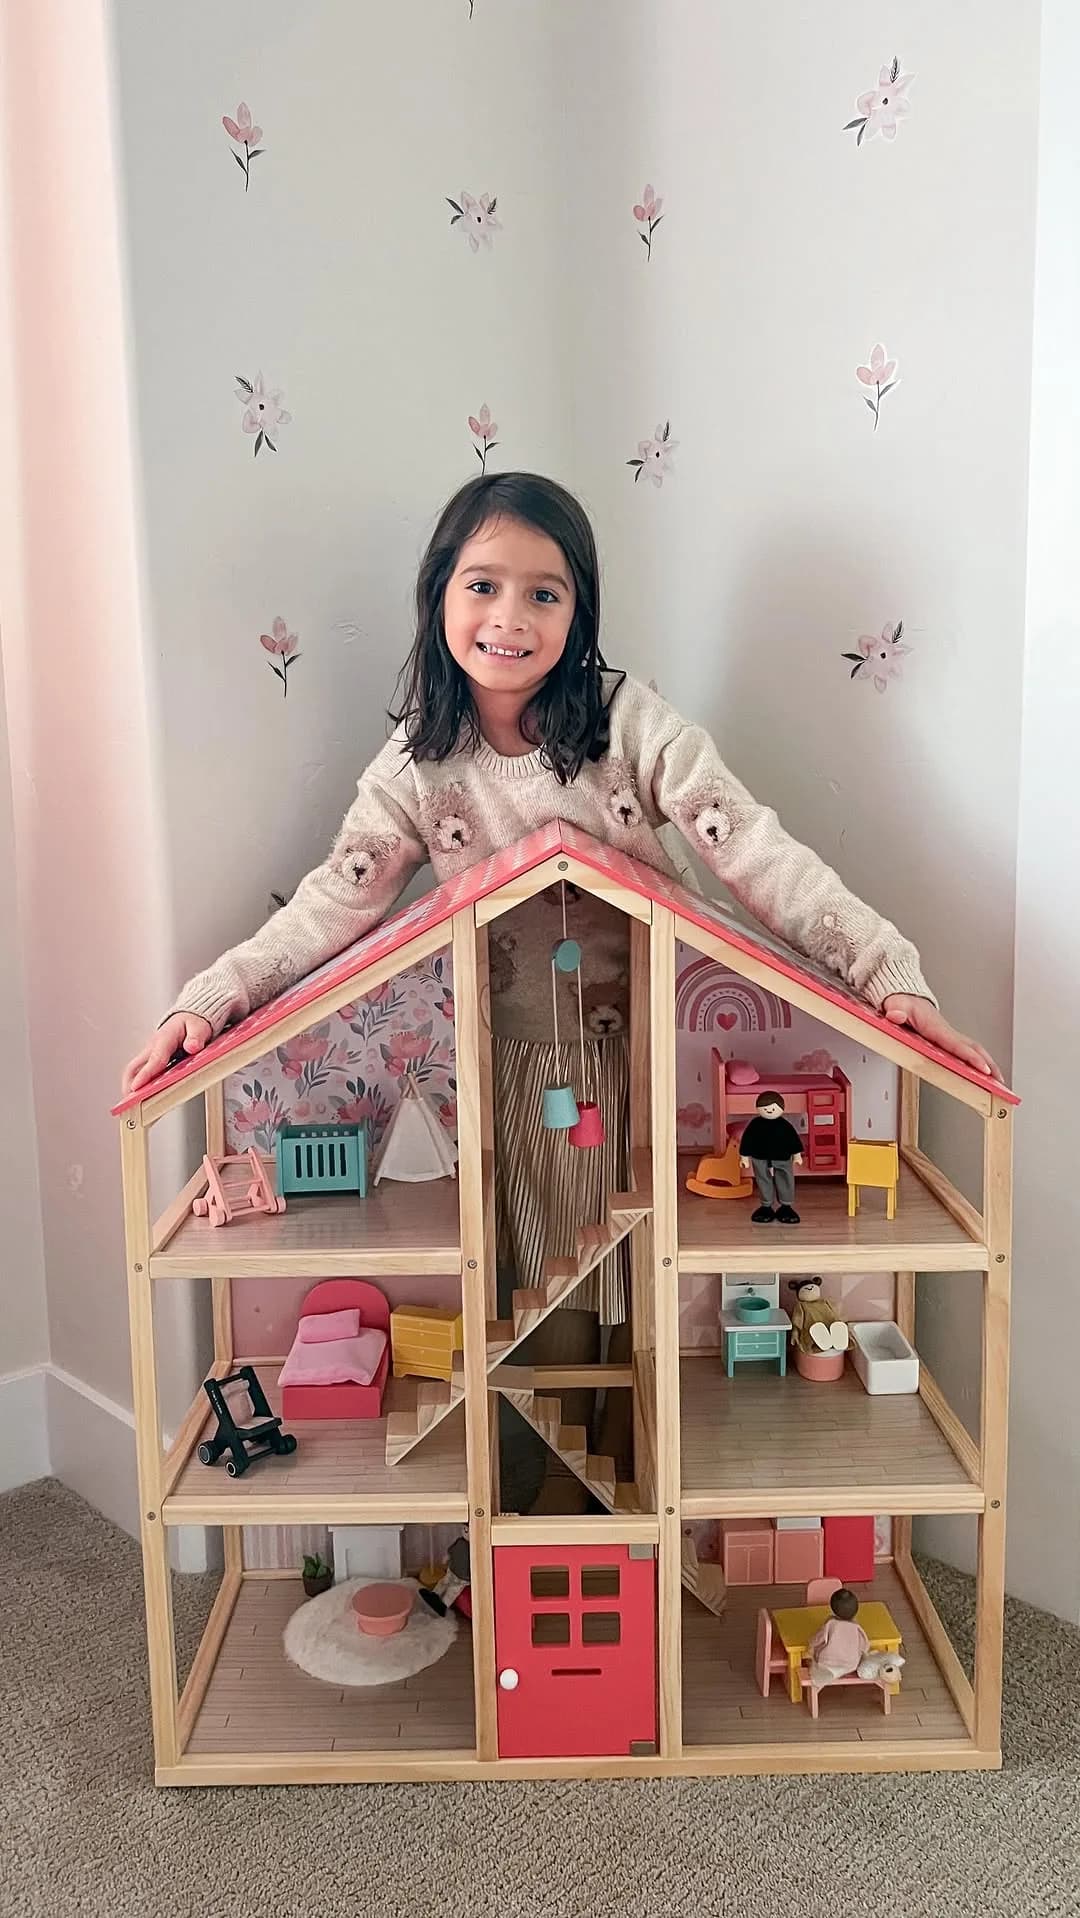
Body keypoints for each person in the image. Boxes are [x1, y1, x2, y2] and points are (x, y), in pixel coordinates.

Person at [121, 470, 998, 1506]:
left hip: (636, 1049)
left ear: (580, 610)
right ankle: (533, 1486)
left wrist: (884, 968)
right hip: (505, 1059)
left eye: (546, 592)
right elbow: (333, 902)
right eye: (483, 584)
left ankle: (625, 1481)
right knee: (525, 1271)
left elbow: (751, 847)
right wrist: (207, 1000)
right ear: (439, 595)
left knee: (632, 1271)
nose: (509, 617)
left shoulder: (629, 724)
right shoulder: (419, 763)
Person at [738, 1090, 804, 1224]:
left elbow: (793, 1140)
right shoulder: (755, 1125)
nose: (769, 1111)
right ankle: (766, 1205)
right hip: (759, 1156)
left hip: (782, 1156)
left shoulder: (785, 1126)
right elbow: (747, 1140)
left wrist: (797, 1155)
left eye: (772, 1108)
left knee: (785, 1177)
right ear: (758, 1109)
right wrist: (744, 1157)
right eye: (765, 1108)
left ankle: (786, 1205)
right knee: (762, 1178)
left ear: (781, 1108)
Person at [806, 1587, 870, 1690]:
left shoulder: (830, 1624)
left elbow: (818, 1639)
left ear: (833, 1609)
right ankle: (837, 1671)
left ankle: (825, 1673)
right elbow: (864, 1646)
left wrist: (810, 1645)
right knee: (857, 1655)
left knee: (811, 1658)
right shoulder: (857, 1627)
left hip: (828, 1661)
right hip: (851, 1664)